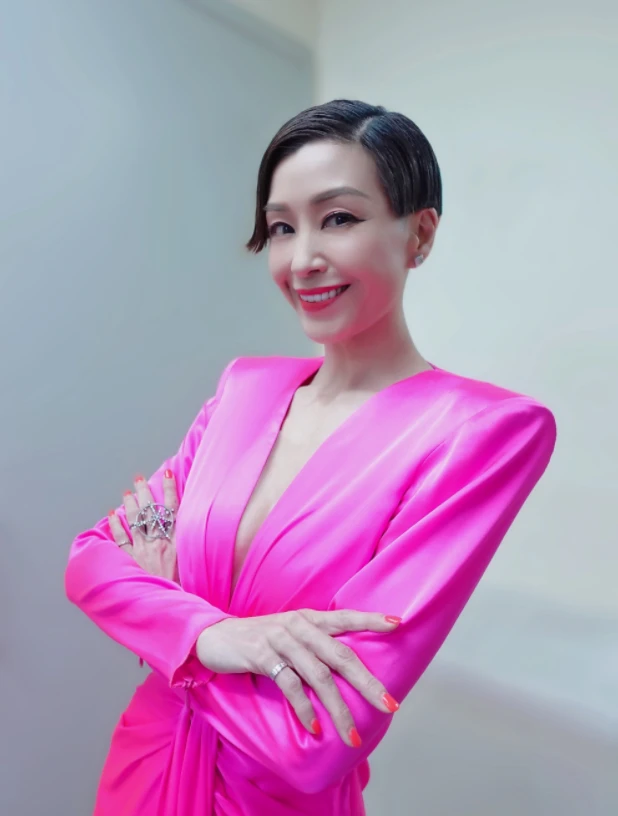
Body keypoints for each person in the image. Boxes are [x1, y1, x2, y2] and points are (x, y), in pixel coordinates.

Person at [65, 99, 557, 816]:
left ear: (420, 233)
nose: (302, 260)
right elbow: (89, 562)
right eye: (281, 228)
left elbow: (318, 738)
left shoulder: (482, 432)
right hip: (143, 772)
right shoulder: (244, 390)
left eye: (339, 218)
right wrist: (214, 634)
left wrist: (170, 626)